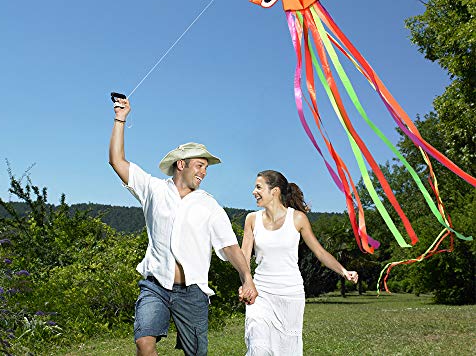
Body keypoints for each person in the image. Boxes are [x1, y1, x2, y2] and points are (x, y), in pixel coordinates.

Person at [109, 97, 257, 356]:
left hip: (192, 293)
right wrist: (120, 118)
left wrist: (247, 278)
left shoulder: (209, 205)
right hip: (155, 285)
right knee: (144, 343)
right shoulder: (153, 189)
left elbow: (230, 247)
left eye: (206, 168)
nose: (204, 172)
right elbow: (117, 161)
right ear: (181, 165)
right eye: (200, 165)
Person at [239, 170, 358, 356]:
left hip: (289, 294)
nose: (254, 191)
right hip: (261, 293)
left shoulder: (297, 219)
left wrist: (344, 271)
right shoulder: (252, 220)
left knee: (286, 350)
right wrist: (246, 283)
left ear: (275, 191)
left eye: (259, 187)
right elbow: (244, 257)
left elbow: (319, 251)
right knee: (258, 346)